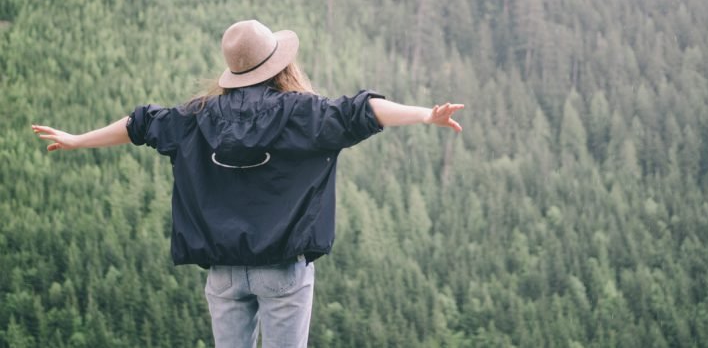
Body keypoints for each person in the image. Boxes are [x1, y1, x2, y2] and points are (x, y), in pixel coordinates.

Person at [32, 19, 464, 348]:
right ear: (280, 64)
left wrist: (77, 140)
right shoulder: (301, 113)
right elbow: (363, 111)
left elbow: (138, 124)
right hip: (282, 271)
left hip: (224, 274)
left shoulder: (196, 117)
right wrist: (425, 115)